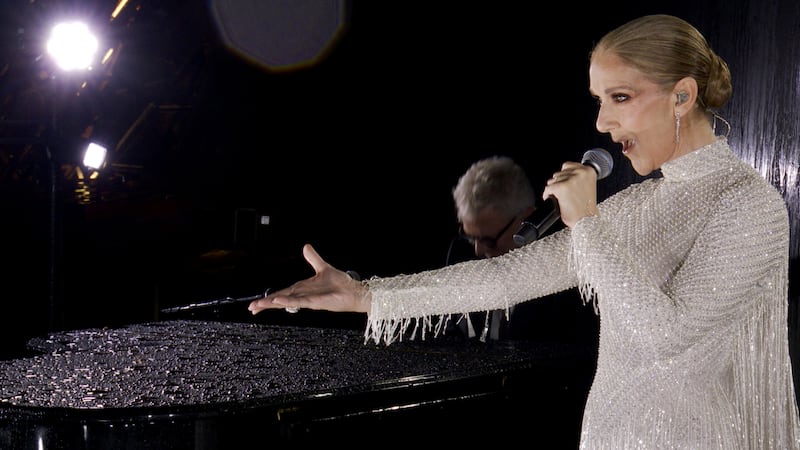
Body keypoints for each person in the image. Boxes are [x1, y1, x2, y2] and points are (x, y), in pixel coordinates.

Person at [250, 14, 800, 448]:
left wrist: (587, 223)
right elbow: (508, 278)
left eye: (621, 98)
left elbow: (669, 337)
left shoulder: (748, 205)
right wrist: (365, 296)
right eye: (599, 101)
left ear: (682, 96)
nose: (601, 123)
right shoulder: (640, 203)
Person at [448, 155, 598, 348]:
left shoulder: (566, 273)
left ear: (527, 219)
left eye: (489, 240)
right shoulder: (460, 253)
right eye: (470, 237)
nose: (478, 250)